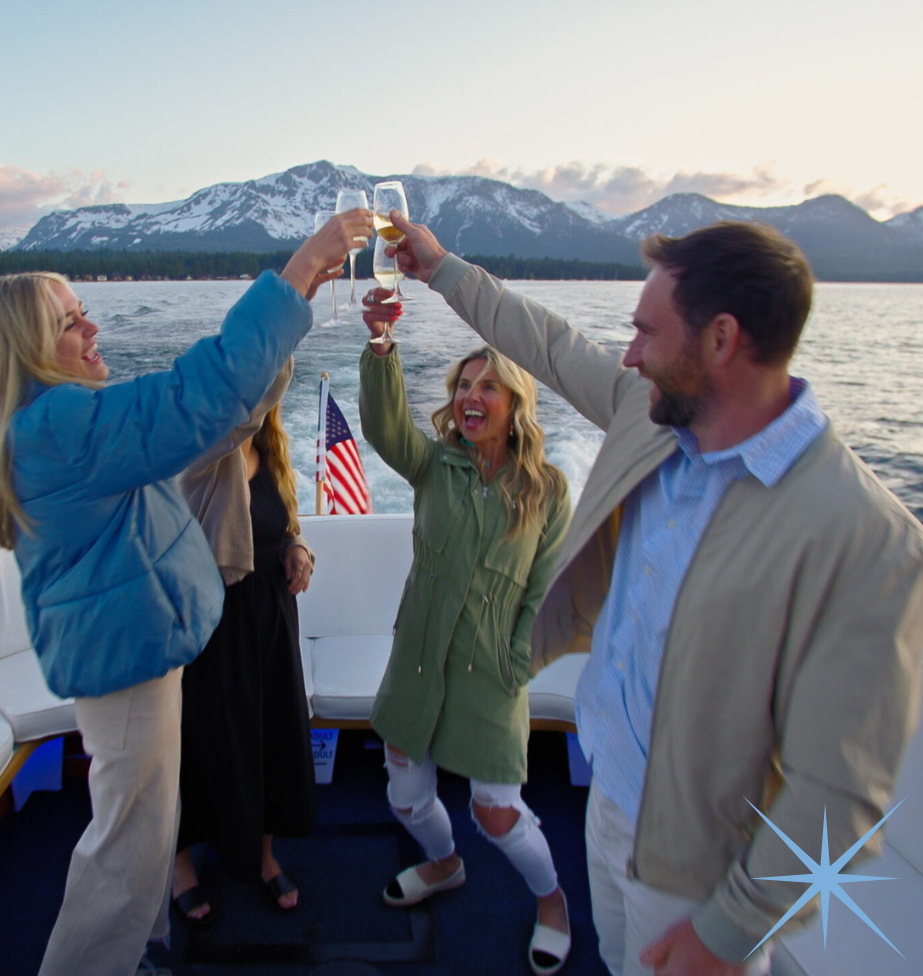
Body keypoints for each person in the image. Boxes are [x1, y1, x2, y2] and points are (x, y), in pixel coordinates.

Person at [369, 213, 923, 976]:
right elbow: (554, 346)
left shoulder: (864, 537)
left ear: (721, 340)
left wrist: (730, 932)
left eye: (646, 333)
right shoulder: (652, 416)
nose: (628, 354)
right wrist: (439, 269)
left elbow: (844, 798)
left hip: (706, 865)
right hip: (609, 804)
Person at [0, 206, 372, 976]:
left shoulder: (56, 425)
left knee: (148, 833)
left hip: (136, 651)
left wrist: (301, 301)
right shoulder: (62, 427)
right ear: (28, 348)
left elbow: (221, 416)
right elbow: (197, 397)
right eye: (70, 323)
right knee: (127, 849)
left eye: (85, 313)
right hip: (127, 668)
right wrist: (295, 273)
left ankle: (145, 948)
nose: (92, 332)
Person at [357, 303, 575, 976]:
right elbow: (385, 427)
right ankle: (445, 864)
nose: (470, 397)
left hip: (493, 669)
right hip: (418, 657)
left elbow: (544, 590)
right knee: (403, 792)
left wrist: (518, 663)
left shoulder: (547, 489)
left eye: (488, 387)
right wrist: (382, 345)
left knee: (498, 812)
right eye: (463, 385)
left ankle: (555, 903)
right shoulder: (434, 466)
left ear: (516, 403)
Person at [172, 359, 317, 925]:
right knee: (204, 745)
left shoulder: (275, 454)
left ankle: (262, 855)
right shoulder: (209, 453)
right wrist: (296, 296)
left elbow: (280, 527)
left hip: (271, 622)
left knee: (269, 740)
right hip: (217, 623)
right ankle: (179, 863)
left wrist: (298, 549)